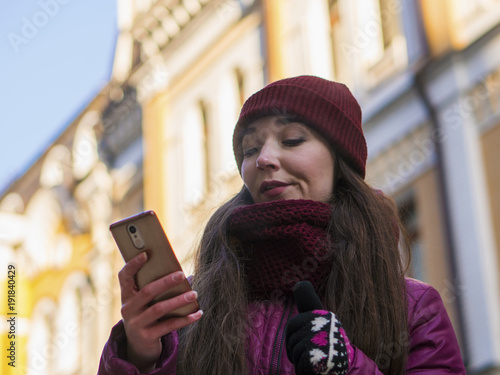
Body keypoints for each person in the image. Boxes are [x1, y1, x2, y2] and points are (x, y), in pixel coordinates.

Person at [98, 75, 466, 374]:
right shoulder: (192, 307)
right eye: (250, 149)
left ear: (340, 161)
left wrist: (348, 367)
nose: (264, 159)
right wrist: (139, 356)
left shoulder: (415, 307)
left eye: (291, 139)